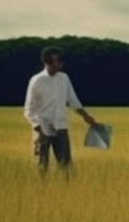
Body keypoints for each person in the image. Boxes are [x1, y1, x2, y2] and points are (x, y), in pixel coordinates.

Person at [23, 46, 97, 175]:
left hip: (61, 127)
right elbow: (28, 109)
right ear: (47, 62)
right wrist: (38, 127)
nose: (61, 63)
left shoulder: (64, 78)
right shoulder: (37, 80)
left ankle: (66, 192)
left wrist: (86, 116)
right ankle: (40, 192)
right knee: (41, 166)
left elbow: (73, 100)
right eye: (57, 60)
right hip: (42, 128)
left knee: (66, 166)